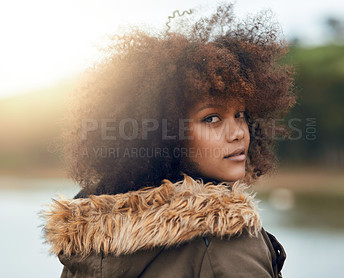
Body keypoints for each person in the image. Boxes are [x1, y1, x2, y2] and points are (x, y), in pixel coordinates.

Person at [42, 3, 296, 277]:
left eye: (240, 114)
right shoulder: (226, 242)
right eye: (211, 118)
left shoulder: (86, 248)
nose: (238, 132)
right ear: (163, 135)